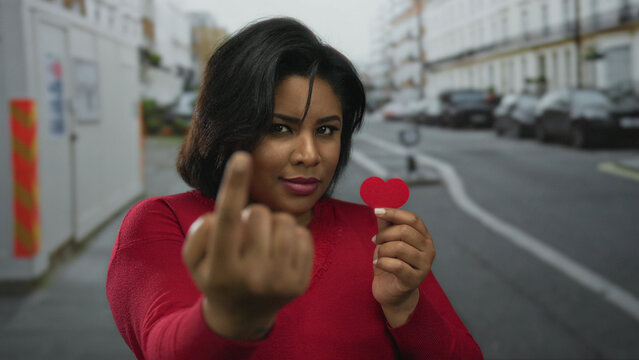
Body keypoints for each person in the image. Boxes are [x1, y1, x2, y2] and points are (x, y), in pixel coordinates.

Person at [106, 17, 483, 359]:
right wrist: (229, 316)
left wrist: (405, 306)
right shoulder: (162, 223)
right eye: (280, 128)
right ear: (226, 128)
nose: (309, 154)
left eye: (326, 130)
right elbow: (162, 347)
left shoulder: (376, 234)